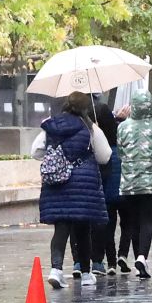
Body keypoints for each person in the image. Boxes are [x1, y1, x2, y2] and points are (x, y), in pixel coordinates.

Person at [34, 92, 112, 289]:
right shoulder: (89, 127)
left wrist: (56, 155)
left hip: (57, 184)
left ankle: (56, 270)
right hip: (82, 185)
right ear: (86, 108)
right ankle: (86, 274)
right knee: (83, 229)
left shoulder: (50, 125)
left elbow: (35, 151)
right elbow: (105, 156)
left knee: (61, 227)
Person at [116, 90, 152, 278]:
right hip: (151, 182)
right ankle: (142, 257)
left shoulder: (122, 127)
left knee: (133, 221)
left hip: (129, 182)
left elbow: (120, 152)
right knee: (146, 221)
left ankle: (138, 258)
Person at [94, 92, 126, 274]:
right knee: (122, 224)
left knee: (106, 226)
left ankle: (108, 261)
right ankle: (117, 258)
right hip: (119, 193)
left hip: (102, 195)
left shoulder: (96, 146)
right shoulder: (117, 145)